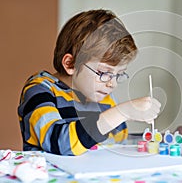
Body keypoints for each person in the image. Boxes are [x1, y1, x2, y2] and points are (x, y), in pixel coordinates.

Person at [17, 9, 161, 156]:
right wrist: (122, 112)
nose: (112, 84)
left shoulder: (103, 96)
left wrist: (159, 139)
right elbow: (61, 143)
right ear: (70, 64)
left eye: (119, 74)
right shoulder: (40, 90)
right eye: (104, 73)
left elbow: (116, 145)